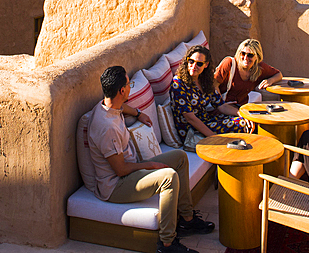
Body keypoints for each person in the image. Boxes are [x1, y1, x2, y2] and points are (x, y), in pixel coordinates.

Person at [87, 66, 214, 253]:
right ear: (122, 90)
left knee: (180, 157)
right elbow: (120, 170)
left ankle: (187, 220)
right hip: (115, 186)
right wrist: (151, 165)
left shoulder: (108, 104)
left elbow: (121, 107)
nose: (130, 87)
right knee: (168, 177)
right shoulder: (107, 128)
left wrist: (138, 113)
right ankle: (167, 244)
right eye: (129, 85)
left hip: (130, 171)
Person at [170, 45, 254, 140]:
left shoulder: (204, 80)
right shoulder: (178, 84)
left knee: (249, 120)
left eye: (199, 64)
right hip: (192, 130)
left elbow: (221, 105)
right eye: (191, 61)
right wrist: (213, 136)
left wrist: (243, 115)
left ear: (206, 65)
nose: (194, 66)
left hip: (207, 120)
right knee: (242, 124)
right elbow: (190, 118)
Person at [213, 38, 283, 108]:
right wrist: (221, 104)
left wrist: (270, 81)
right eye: (243, 53)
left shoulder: (259, 68)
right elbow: (214, 84)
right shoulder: (229, 63)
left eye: (250, 55)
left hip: (242, 108)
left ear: (257, 57)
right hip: (223, 108)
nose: (245, 58)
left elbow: (278, 74)